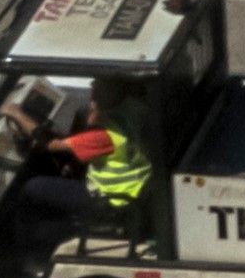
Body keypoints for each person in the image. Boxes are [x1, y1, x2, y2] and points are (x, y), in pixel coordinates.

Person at [14, 78, 154, 247]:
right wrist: (74, 163)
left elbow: (51, 145)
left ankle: (29, 248)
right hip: (129, 196)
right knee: (64, 176)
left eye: (94, 98)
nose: (91, 101)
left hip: (109, 203)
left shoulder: (105, 135)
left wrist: (15, 113)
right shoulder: (133, 111)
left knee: (33, 187)